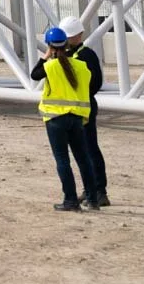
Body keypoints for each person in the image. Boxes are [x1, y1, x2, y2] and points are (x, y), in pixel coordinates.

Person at [31, 25, 97, 211]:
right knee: (83, 159)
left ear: (50, 46)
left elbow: (34, 75)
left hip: (56, 118)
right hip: (77, 118)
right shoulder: (81, 66)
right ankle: (93, 199)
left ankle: (70, 200)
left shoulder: (50, 66)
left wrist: (46, 55)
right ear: (67, 44)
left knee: (62, 160)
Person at [56, 17, 109, 208]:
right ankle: (90, 189)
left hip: (84, 108)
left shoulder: (86, 55)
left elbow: (95, 83)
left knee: (90, 149)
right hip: (72, 109)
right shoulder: (66, 55)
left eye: (69, 36)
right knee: (81, 151)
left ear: (79, 35)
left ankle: (99, 191)